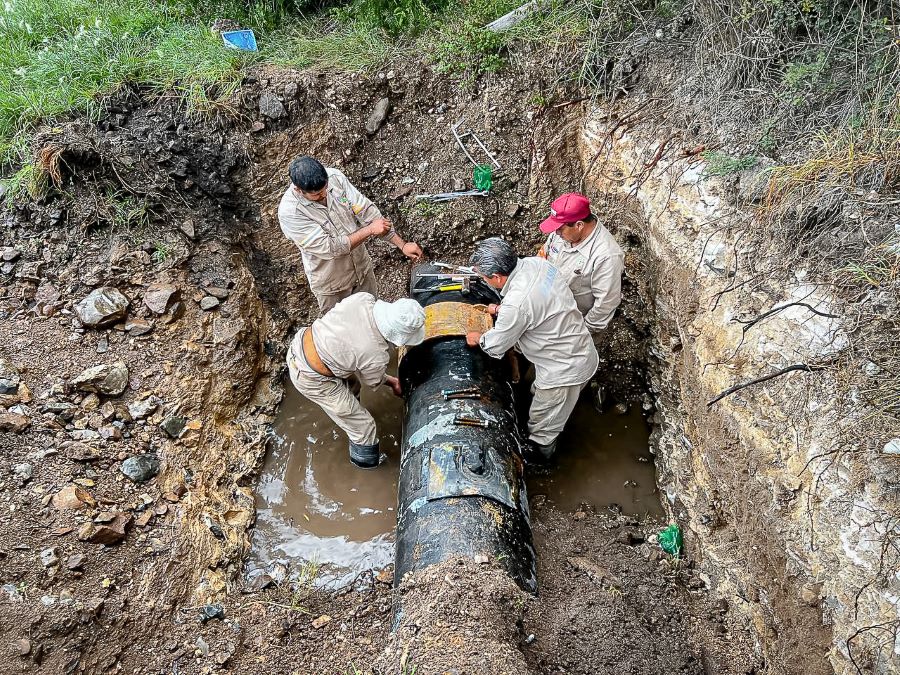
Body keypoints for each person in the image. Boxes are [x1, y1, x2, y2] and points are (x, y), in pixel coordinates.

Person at [465, 238, 599, 459]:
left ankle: (541, 456)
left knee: (543, 424)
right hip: (578, 346)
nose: (484, 281)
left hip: (563, 371)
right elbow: (541, 304)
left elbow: (497, 344)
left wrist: (479, 338)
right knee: (548, 400)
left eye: (484, 278)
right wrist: (501, 309)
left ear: (497, 277)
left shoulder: (517, 305)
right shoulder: (538, 265)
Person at [286, 292, 425, 468]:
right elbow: (373, 381)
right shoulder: (375, 355)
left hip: (301, 345)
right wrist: (394, 382)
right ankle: (365, 467)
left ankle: (349, 414)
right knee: (365, 427)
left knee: (353, 385)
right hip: (312, 379)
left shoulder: (364, 300)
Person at [278, 156, 424, 314]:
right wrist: (369, 230)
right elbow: (331, 248)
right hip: (333, 287)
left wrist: (401, 245)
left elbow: (366, 211)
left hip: (362, 271)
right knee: (344, 333)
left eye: (326, 189)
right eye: (317, 195)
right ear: (298, 190)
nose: (325, 195)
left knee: (373, 320)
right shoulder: (291, 212)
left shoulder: (335, 177)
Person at [537, 192, 624, 335]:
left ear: (579, 225)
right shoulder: (562, 233)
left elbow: (605, 304)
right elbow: (543, 255)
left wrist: (580, 334)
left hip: (574, 326)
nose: (556, 233)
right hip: (549, 309)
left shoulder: (606, 256)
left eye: (560, 228)